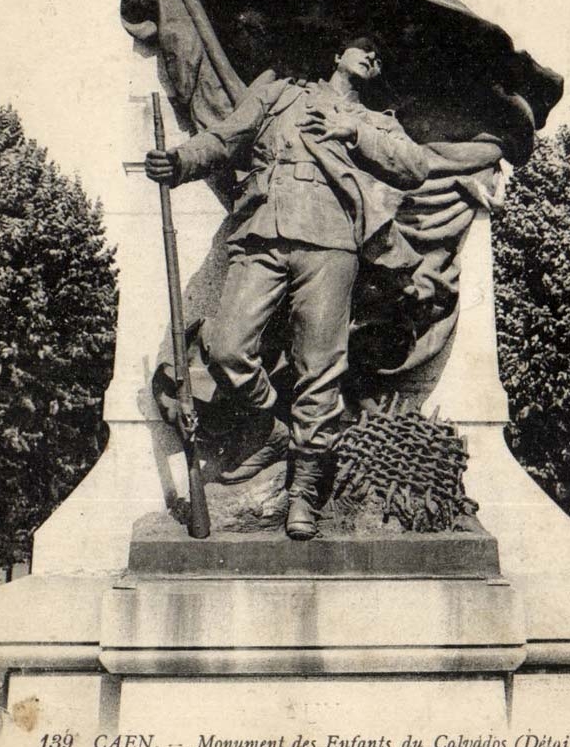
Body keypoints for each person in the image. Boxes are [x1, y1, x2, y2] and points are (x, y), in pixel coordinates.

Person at [145, 37, 431, 539]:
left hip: (331, 243)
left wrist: (354, 131)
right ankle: (268, 429)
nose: (370, 55)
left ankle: (303, 493)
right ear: (336, 54)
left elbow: (415, 167)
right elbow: (224, 138)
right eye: (360, 46)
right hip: (264, 232)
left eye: (378, 53)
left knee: (319, 368)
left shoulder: (376, 120)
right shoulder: (280, 95)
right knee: (226, 344)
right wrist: (181, 162)